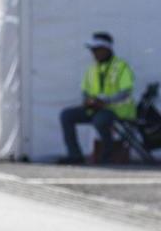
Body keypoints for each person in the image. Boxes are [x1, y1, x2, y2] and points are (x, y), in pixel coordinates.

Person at [58, 32, 135, 164]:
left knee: (100, 120)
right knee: (66, 115)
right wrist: (88, 101)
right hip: (94, 109)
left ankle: (107, 157)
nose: (94, 53)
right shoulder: (91, 69)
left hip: (116, 110)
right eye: (92, 50)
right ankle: (75, 156)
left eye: (97, 49)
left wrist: (105, 101)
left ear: (107, 49)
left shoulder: (121, 66)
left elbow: (126, 92)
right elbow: (85, 91)